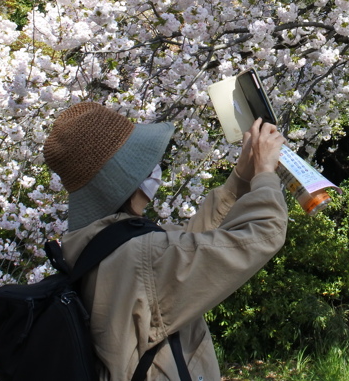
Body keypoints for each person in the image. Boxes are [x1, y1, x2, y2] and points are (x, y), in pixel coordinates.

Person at [43, 101, 288, 381]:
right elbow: (263, 233)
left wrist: (241, 177)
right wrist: (266, 174)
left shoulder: (96, 243)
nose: (155, 167)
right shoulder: (138, 255)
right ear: (127, 176)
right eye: (146, 162)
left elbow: (186, 242)